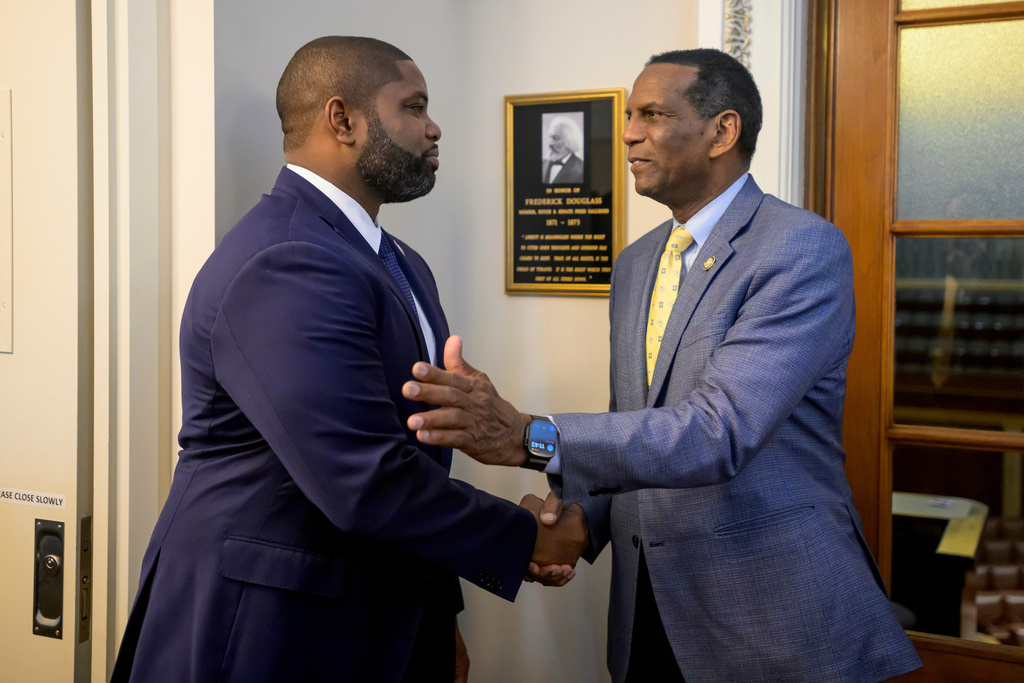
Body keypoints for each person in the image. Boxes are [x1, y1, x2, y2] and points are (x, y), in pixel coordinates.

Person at [403, 49, 923, 682]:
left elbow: (716, 432)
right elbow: (640, 427)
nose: (627, 132)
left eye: (651, 114)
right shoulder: (636, 263)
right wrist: (578, 523)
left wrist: (526, 437)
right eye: (628, 115)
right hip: (647, 609)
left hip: (773, 618)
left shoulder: (799, 249)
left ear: (722, 132)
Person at [110, 36, 586, 683]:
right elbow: (367, 479)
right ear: (344, 119)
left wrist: (437, 616)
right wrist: (524, 537)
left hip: (378, 616)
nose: (434, 126)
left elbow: (415, 457)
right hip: (269, 626)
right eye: (414, 107)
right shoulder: (285, 260)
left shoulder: (397, 261)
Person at [542, 116, 584, 184]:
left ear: (570, 142)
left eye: (556, 138)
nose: (550, 143)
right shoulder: (542, 164)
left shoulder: (581, 168)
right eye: (550, 137)